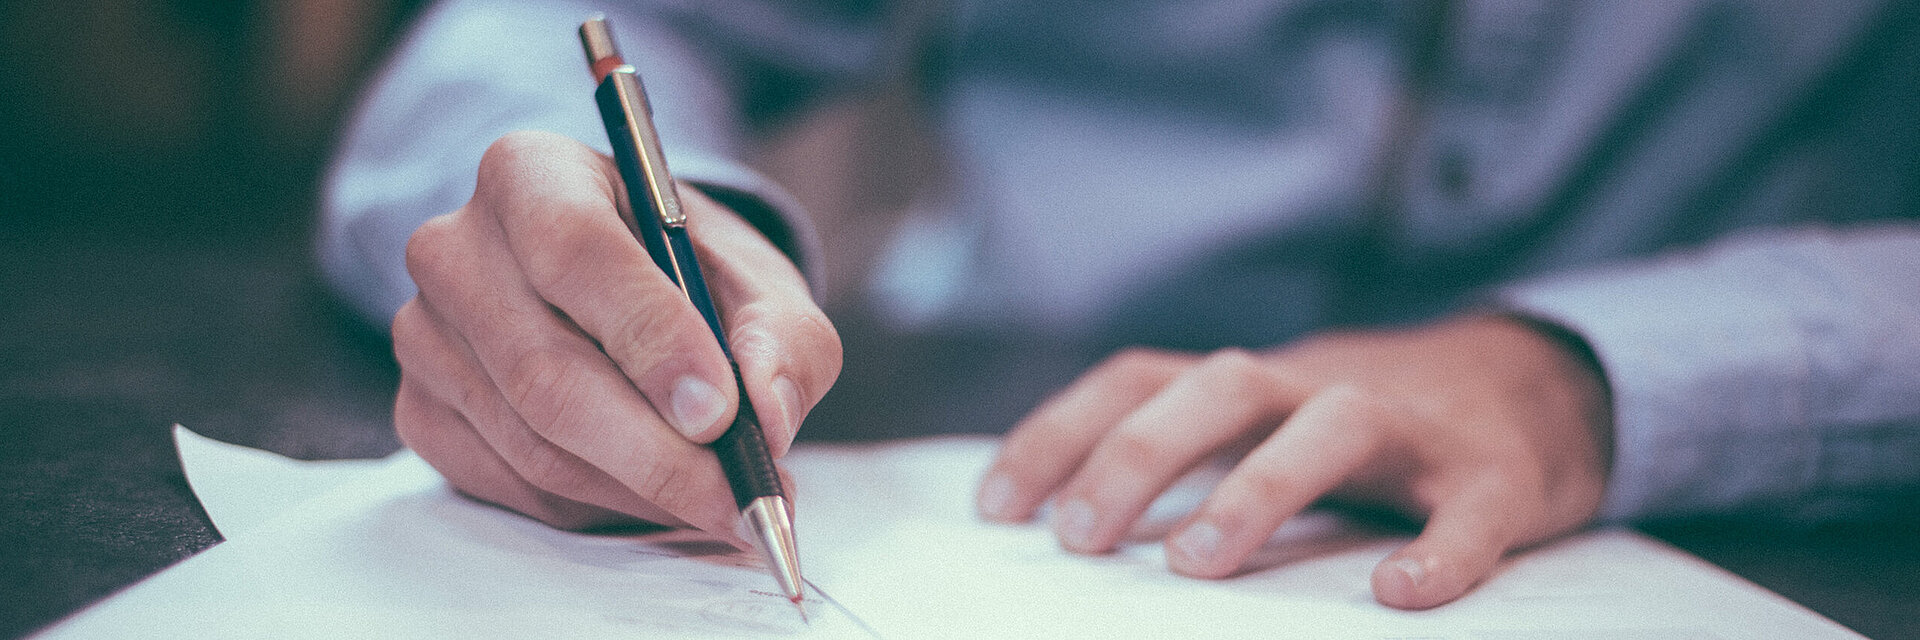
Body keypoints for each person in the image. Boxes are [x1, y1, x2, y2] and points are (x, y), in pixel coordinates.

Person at [319, 0, 1920, 610]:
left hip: (1739, 505)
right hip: (985, 443)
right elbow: (587, 22)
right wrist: (628, 252)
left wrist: (1589, 373)